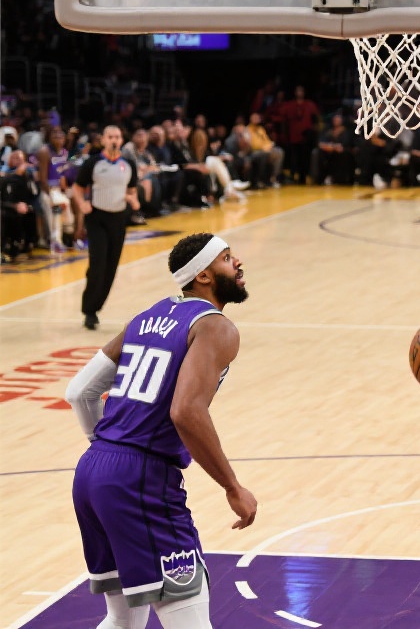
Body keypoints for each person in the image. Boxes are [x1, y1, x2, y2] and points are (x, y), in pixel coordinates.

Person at [65, 232, 257, 629]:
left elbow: (80, 391)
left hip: (92, 473)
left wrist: (108, 449)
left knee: (122, 620)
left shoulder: (146, 317)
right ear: (203, 276)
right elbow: (185, 411)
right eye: (227, 258)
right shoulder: (215, 327)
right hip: (140, 481)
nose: (238, 262)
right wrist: (232, 486)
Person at [72, 126, 141, 330]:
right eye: (110, 137)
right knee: (98, 263)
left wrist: (132, 199)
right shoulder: (93, 163)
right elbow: (77, 188)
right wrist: (82, 203)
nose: (114, 140)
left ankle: (97, 306)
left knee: (111, 267)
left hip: (118, 219)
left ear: (121, 140)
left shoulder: (128, 164)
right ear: (103, 140)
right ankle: (89, 310)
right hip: (97, 219)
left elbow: (132, 190)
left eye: (117, 137)